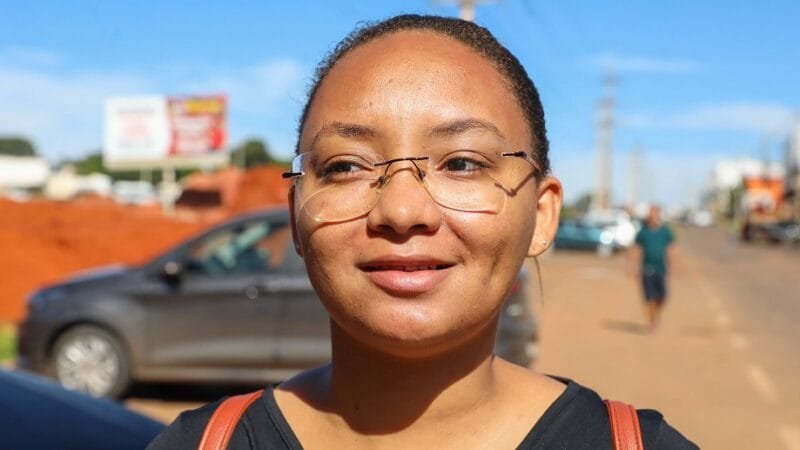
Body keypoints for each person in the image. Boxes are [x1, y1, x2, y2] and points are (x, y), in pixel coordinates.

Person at [149, 14, 697, 449]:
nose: (403, 209)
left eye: (461, 163)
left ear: (543, 215)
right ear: (296, 214)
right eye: (346, 165)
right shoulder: (200, 444)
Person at [630, 205, 676, 331]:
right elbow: (636, 249)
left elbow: (671, 249)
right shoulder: (643, 232)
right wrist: (634, 266)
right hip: (647, 268)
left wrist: (671, 266)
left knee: (663, 296)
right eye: (650, 214)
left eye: (654, 214)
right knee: (649, 298)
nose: (652, 216)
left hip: (661, 268)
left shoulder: (665, 231)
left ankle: (656, 312)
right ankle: (652, 321)